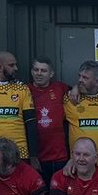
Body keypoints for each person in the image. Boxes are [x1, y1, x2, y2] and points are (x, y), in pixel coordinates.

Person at [65, 61, 98, 158]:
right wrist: (75, 87)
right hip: (79, 163)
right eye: (80, 76)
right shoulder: (70, 98)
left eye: (85, 78)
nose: (80, 80)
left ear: (97, 82)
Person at [29, 57, 69, 186]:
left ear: (51, 74)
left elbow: (84, 87)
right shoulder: (24, 90)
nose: (39, 73)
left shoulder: (61, 89)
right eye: (36, 70)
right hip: (35, 158)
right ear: (32, 72)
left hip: (59, 157)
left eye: (43, 70)